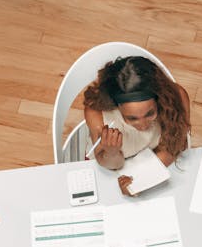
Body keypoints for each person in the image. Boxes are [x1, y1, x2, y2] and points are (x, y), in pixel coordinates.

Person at [82, 56, 191, 196]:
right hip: (110, 167)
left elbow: (173, 147)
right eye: (132, 118)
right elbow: (111, 165)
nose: (143, 125)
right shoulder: (96, 113)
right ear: (117, 107)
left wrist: (139, 181)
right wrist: (112, 152)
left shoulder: (177, 97)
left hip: (158, 159)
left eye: (150, 113)